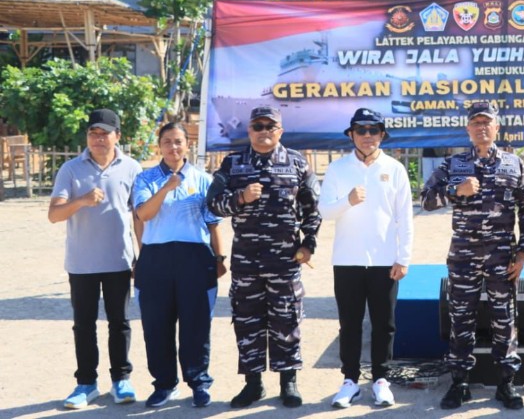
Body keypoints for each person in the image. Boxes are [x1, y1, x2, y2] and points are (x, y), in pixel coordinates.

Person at [421, 101, 524, 411]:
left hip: (502, 257)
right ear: (468, 129)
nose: (482, 127)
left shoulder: (514, 164)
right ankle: (459, 383)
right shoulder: (453, 164)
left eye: (487, 122)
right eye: (476, 123)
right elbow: (426, 199)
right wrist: (456, 190)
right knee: (461, 318)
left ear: (497, 127)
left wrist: (523, 250)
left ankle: (506, 383)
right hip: (463, 256)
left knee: (504, 319)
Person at [206, 106, 322, 409]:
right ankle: (253, 384)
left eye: (270, 126)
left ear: (280, 131)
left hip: (284, 261)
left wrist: (309, 243)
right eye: (258, 126)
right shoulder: (232, 164)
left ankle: (288, 382)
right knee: (248, 322)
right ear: (249, 131)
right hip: (247, 262)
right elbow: (213, 204)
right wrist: (240, 198)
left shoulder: (297, 162)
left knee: (287, 320)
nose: (264, 131)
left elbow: (312, 209)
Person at [48, 108, 143, 409]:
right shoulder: (71, 169)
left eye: (105, 133)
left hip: (118, 260)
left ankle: (121, 380)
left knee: (120, 323)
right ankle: (86, 384)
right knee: (84, 325)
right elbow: (54, 214)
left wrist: (142, 256)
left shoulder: (132, 168)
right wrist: (82, 200)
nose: (99, 139)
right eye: (93, 133)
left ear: (118, 136)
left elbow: (140, 216)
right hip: (82, 263)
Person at [320, 108, 414, 409]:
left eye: (374, 130)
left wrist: (403, 257)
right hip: (347, 259)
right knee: (349, 323)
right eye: (361, 130)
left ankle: (380, 380)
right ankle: (350, 380)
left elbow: (405, 218)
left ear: (382, 135)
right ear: (351, 135)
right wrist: (347, 201)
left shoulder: (395, 168)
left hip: (385, 260)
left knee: (384, 323)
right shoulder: (337, 169)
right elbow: (324, 212)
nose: (368, 136)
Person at [133, 122, 227, 408]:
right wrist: (166, 188)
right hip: (156, 259)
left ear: (188, 145)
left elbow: (213, 224)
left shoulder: (202, 179)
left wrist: (220, 258)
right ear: (159, 146)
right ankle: (164, 384)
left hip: (195, 259)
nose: (173, 148)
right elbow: (144, 214)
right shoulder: (145, 178)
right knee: (156, 325)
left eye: (178, 142)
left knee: (196, 326)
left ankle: (199, 382)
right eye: (167, 142)